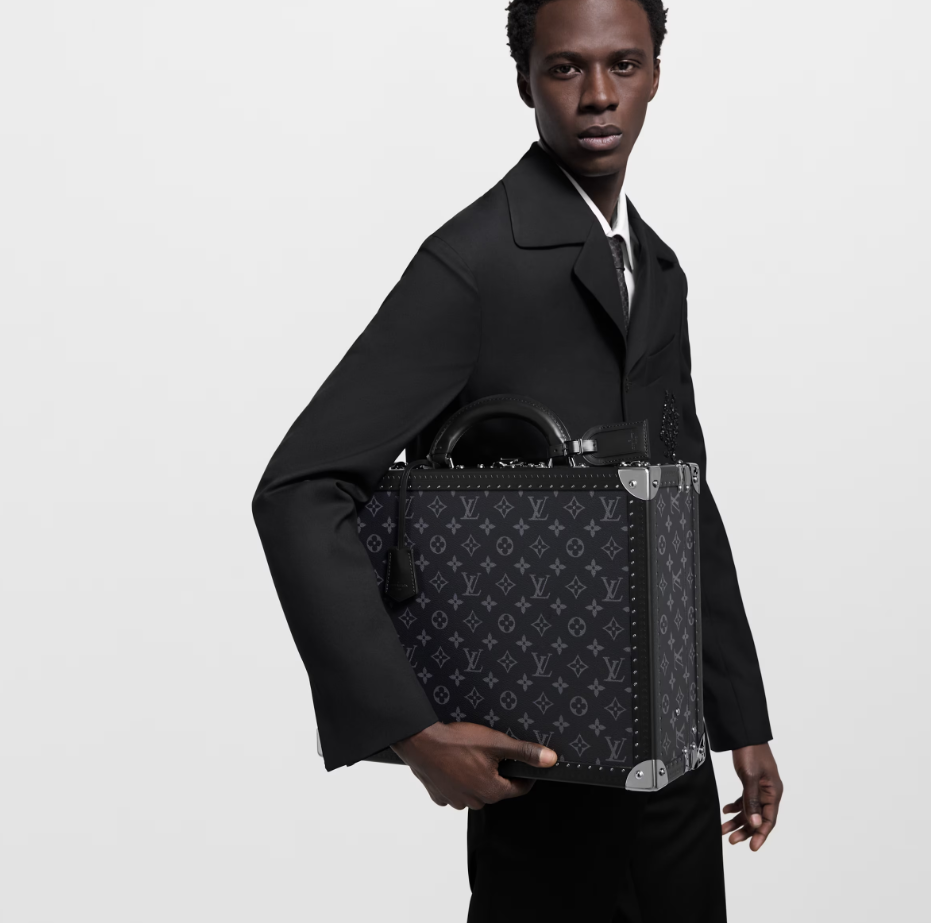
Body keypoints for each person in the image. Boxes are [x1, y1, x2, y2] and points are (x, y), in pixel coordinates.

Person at [252, 0, 783, 919]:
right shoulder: (472, 262)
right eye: (565, 68)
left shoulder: (657, 268)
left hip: (674, 771)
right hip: (540, 767)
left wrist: (740, 716)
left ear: (656, 74)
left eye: (623, 64)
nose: (597, 95)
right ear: (523, 82)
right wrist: (412, 729)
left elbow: (683, 497)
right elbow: (299, 489)